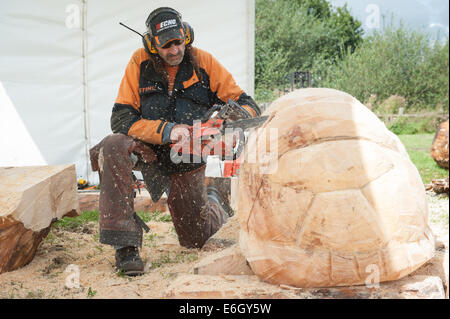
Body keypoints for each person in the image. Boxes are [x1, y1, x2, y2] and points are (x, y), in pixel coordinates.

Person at [89, 7, 261, 276]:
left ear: (186, 36)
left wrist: (233, 122)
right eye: (165, 45)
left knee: (195, 239)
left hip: (187, 158)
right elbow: (121, 118)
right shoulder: (139, 63)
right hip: (147, 148)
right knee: (113, 144)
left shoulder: (204, 62)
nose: (173, 50)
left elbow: (248, 104)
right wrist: (168, 130)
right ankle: (125, 246)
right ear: (151, 44)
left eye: (177, 42)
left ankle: (214, 202)